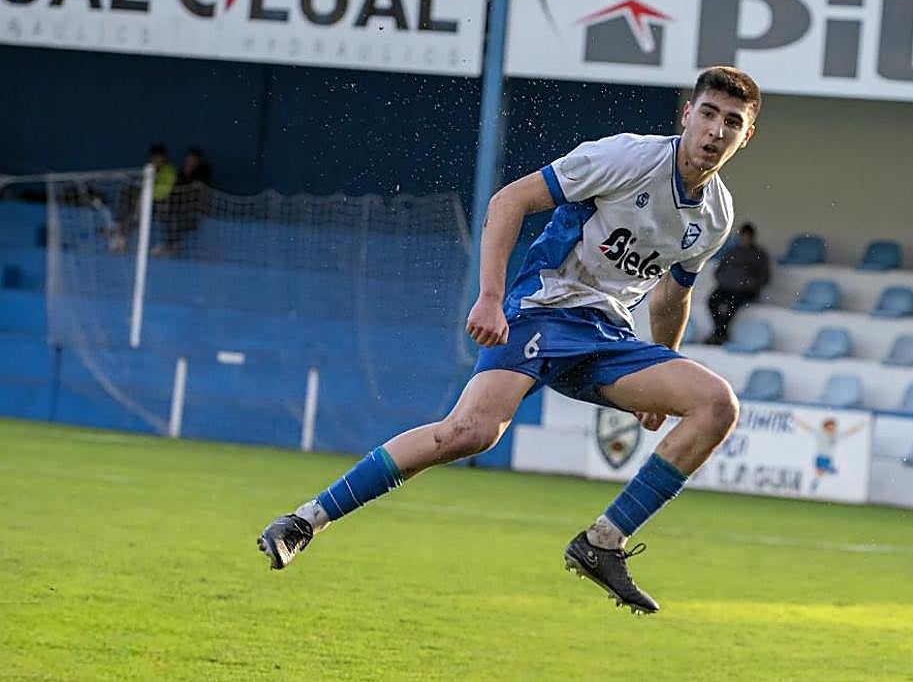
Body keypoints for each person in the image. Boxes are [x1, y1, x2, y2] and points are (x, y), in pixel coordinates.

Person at [256, 66, 762, 615]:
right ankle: (306, 519)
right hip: (543, 308)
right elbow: (508, 201)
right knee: (470, 433)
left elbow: (671, 297)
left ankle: (603, 543)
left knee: (715, 405)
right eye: (708, 114)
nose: (715, 131)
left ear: (745, 136)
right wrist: (491, 297)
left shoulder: (716, 216)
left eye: (731, 122)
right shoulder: (627, 157)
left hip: (607, 332)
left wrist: (663, 369)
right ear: (687, 115)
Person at [705, 222, 770, 345]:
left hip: (745, 290)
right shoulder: (732, 252)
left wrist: (748, 285)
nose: (744, 240)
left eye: (747, 237)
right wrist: (724, 281)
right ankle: (721, 332)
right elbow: (719, 271)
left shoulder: (759, 254)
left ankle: (719, 334)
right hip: (726, 287)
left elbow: (764, 276)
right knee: (712, 301)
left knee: (732, 305)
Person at [108, 143, 176, 254]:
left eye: (157, 157)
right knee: (128, 194)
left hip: (161, 202)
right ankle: (119, 226)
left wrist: (146, 192)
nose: (154, 160)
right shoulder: (149, 168)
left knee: (137, 213)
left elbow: (164, 191)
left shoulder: (169, 171)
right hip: (144, 199)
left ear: (163, 158)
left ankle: (121, 235)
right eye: (153, 157)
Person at [155, 147, 213, 256]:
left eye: (193, 159)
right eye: (188, 158)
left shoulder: (203, 172)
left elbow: (198, 189)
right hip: (179, 208)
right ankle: (170, 245)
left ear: (198, 160)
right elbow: (175, 191)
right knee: (169, 216)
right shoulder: (181, 172)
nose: (190, 161)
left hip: (194, 211)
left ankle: (173, 245)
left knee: (179, 220)